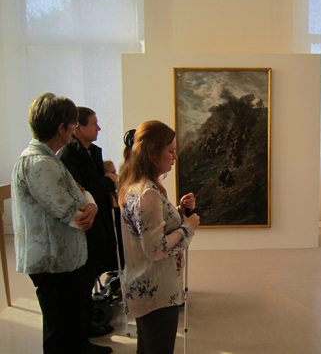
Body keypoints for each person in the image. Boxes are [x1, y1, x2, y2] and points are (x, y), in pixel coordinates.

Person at [11, 93, 98, 354]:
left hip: (59, 261)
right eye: (72, 125)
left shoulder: (47, 160)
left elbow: (81, 194)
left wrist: (88, 201)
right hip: (53, 263)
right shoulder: (40, 164)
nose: (74, 131)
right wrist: (87, 204)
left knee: (66, 328)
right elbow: (75, 213)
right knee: (60, 334)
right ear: (61, 128)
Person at [118, 120, 199, 354]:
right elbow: (155, 249)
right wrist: (188, 227)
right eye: (171, 151)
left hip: (142, 286)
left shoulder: (133, 185)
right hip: (157, 292)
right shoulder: (148, 193)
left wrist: (178, 211)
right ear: (154, 153)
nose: (175, 157)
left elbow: (148, 226)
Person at [58, 107, 118, 350]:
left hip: (97, 227)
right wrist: (108, 181)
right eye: (94, 123)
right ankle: (80, 336)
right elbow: (81, 193)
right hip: (84, 231)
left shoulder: (91, 152)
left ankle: (87, 326)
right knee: (81, 285)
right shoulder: (67, 157)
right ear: (78, 127)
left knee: (89, 279)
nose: (99, 128)